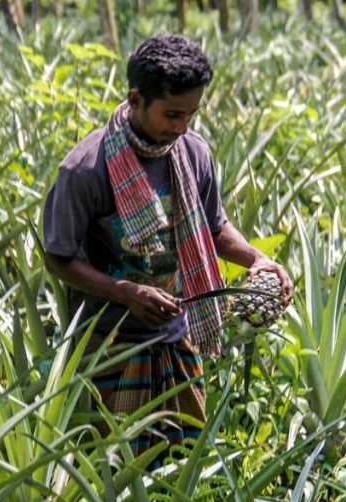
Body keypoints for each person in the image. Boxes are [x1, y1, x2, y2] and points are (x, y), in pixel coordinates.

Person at [42, 33, 293, 466]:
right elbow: (58, 257)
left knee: (185, 464)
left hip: (178, 337)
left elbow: (214, 228)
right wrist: (126, 291)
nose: (181, 127)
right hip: (110, 345)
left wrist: (256, 258)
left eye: (191, 114)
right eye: (172, 114)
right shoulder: (85, 170)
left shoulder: (192, 153)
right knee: (112, 470)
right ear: (135, 99)